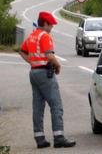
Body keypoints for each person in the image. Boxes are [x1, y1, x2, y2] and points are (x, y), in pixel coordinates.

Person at [19, 12, 76, 148]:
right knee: (56, 105)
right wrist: (58, 65)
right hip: (45, 73)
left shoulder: (32, 35)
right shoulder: (45, 36)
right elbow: (50, 56)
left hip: (33, 72)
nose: (52, 28)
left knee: (38, 107)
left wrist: (33, 62)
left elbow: (22, 51)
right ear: (45, 23)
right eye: (51, 25)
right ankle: (59, 137)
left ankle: (39, 139)